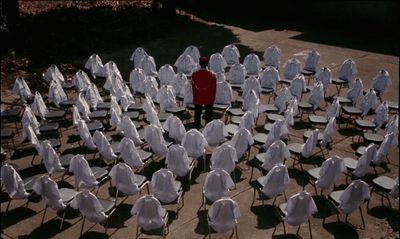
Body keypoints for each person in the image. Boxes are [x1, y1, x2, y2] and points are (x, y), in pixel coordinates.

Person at [191, 56, 217, 129]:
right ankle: (208, 130)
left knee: (197, 115)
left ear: (199, 64)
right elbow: (214, 89)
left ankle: (197, 129)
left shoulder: (194, 75)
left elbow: (193, 88)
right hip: (208, 97)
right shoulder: (212, 75)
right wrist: (213, 98)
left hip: (198, 97)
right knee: (208, 116)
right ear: (207, 64)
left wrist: (195, 97)